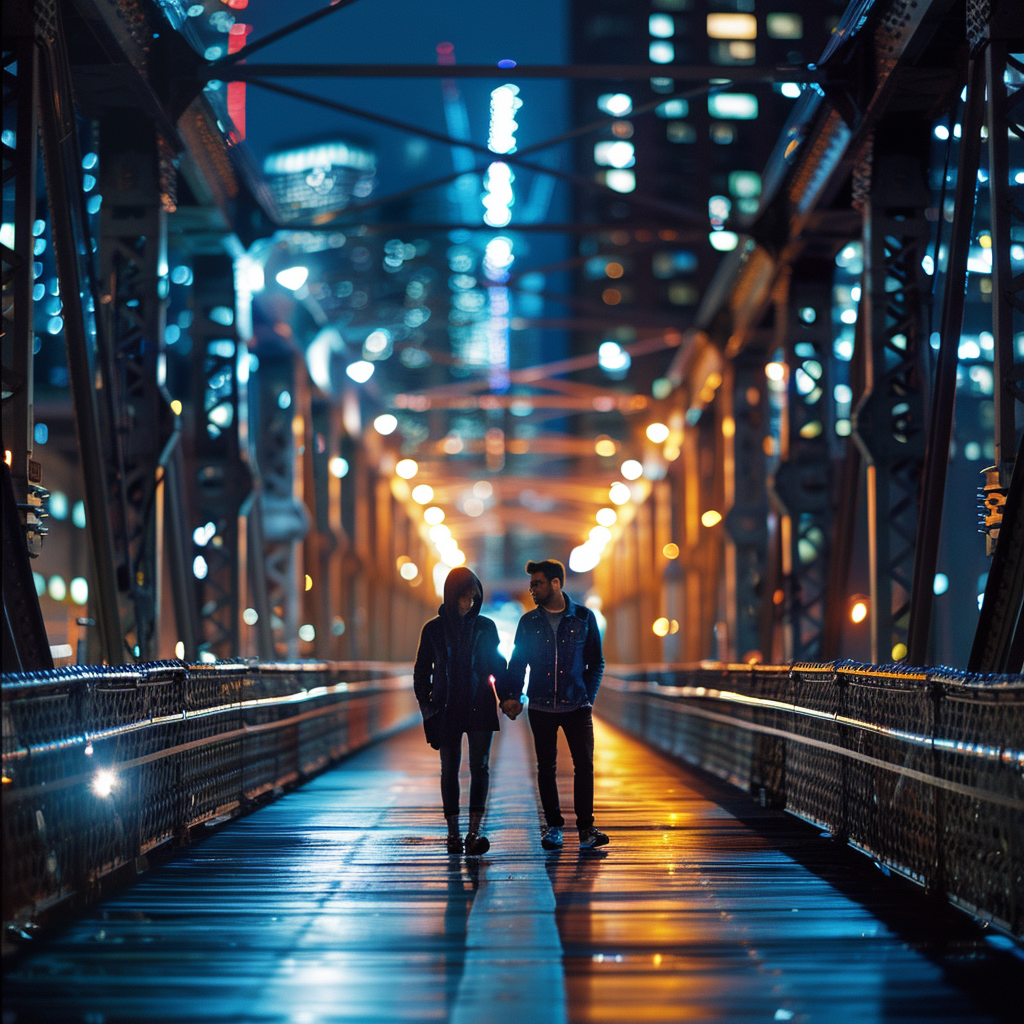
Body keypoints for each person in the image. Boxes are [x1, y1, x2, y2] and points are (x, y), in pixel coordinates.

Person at [500, 559, 609, 851]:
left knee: (584, 766)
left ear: (556, 583)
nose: (532, 589)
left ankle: (586, 829)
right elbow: (518, 662)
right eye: (531, 584)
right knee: (545, 768)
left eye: (538, 583)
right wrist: (512, 695)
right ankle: (553, 827)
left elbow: (596, 662)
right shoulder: (528, 622)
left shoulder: (584, 618)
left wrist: (587, 696)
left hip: (577, 706)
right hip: (541, 706)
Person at [414, 566, 507, 855]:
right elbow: (420, 674)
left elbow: (496, 666)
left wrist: (508, 698)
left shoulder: (486, 627)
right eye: (464, 598)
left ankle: (474, 832)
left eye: (474, 598)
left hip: (480, 705)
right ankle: (453, 833)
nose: (469, 604)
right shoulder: (433, 630)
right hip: (446, 708)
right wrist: (429, 710)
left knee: (480, 768)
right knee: (449, 769)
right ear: (452, 596)